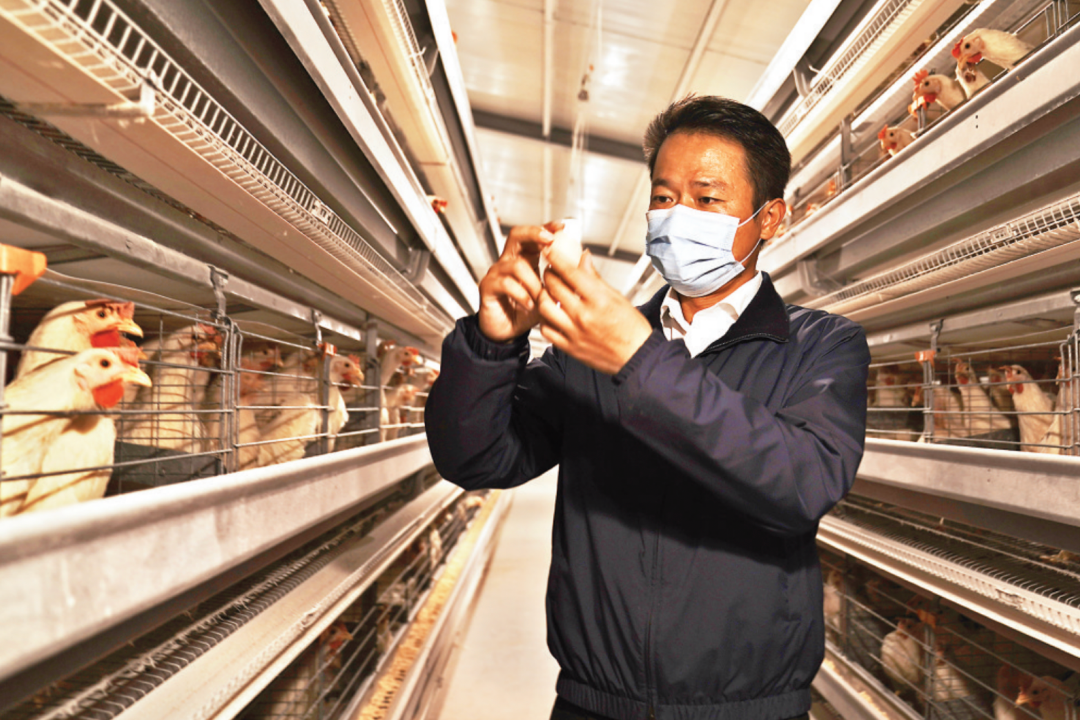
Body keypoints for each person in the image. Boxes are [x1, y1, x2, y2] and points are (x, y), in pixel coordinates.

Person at [425, 95, 870, 720]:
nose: (677, 215)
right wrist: (490, 343)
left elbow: (801, 483)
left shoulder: (820, 346)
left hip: (747, 709)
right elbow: (477, 458)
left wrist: (639, 359)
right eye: (663, 196)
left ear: (769, 218)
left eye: (706, 199)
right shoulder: (589, 347)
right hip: (592, 703)